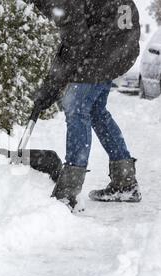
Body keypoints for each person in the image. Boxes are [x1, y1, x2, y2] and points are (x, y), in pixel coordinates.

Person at [31, 0, 142, 210]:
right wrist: (53, 82)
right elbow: (74, 37)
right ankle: (124, 181)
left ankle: (68, 193)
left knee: (76, 109)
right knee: (96, 111)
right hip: (120, 46)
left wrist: (53, 84)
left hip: (104, 49)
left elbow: (76, 41)